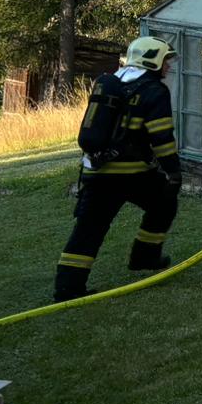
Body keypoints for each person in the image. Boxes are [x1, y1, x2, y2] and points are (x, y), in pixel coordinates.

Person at [54, 37, 182, 301]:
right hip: (131, 173)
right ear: (152, 60)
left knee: (88, 229)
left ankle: (67, 288)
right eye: (165, 60)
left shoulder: (112, 82)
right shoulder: (153, 91)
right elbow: (161, 137)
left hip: (95, 171)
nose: (168, 66)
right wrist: (173, 172)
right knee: (165, 202)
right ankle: (145, 256)